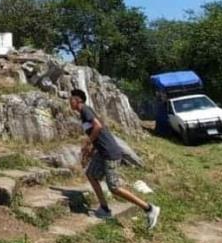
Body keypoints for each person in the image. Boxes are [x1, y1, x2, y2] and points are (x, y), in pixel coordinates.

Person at [69, 89, 161, 229]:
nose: (70, 101)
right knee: (91, 175)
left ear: (78, 100)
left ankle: (149, 209)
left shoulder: (85, 110)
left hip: (110, 153)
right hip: (102, 151)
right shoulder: (83, 114)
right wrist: (91, 150)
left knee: (114, 187)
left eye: (72, 99)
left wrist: (87, 143)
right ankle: (104, 209)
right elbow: (99, 134)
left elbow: (98, 127)